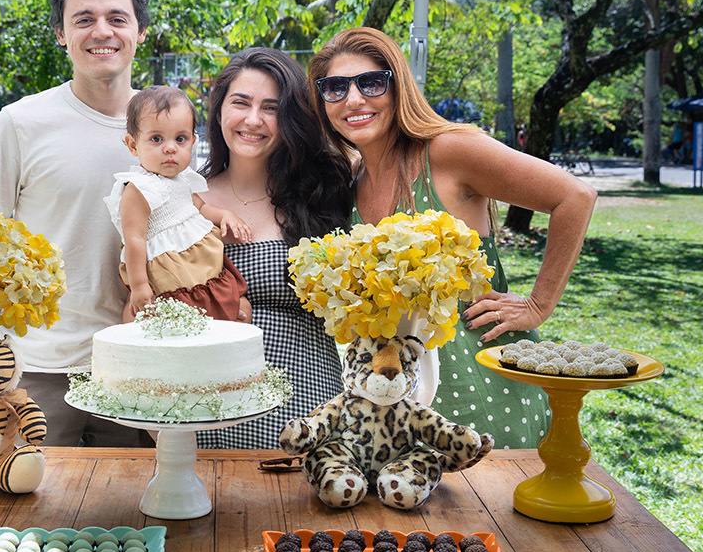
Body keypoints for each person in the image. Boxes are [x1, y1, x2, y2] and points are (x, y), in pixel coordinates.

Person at [308, 27, 597, 449]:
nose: (353, 100)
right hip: (397, 398)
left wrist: (537, 305)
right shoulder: (352, 179)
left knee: (492, 509)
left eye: (371, 82)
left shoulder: (445, 151)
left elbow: (575, 196)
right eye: (335, 88)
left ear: (398, 87)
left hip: (482, 382)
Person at [0, 0, 152, 448]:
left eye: (117, 18)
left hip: (133, 364)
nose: (102, 32)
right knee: (28, 515)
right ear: (60, 34)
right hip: (37, 368)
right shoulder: (20, 122)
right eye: (84, 19)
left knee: (129, 516)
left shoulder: (164, 134)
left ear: (140, 32)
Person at [195, 48, 354, 450]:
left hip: (307, 414)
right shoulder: (184, 198)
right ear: (218, 111)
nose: (253, 120)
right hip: (206, 413)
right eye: (241, 103)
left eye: (272, 108)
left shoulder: (325, 192)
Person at [104, 86, 252, 323]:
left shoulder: (182, 179)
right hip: (169, 274)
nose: (170, 147)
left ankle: (226, 318)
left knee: (238, 306)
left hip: (201, 267)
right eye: (156, 139)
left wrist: (224, 215)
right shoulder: (138, 189)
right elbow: (134, 240)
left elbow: (200, 208)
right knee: (147, 318)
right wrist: (140, 285)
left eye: (180, 139)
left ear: (192, 142)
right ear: (133, 145)